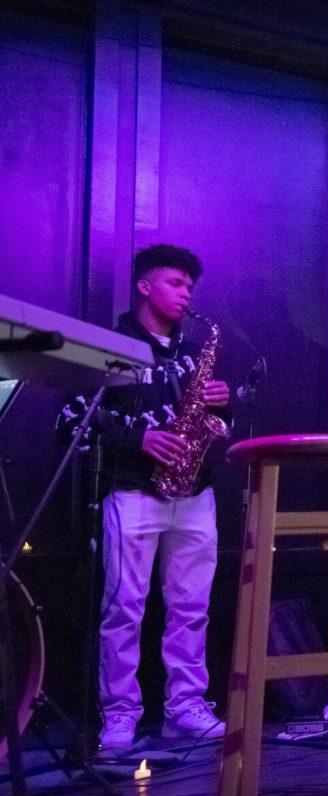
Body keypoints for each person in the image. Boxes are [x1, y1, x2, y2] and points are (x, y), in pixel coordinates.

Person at [58, 244, 229, 751]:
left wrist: (221, 402)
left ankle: (185, 707)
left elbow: (218, 422)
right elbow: (72, 418)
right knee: (123, 610)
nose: (186, 294)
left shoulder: (195, 348)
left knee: (192, 608)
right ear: (144, 286)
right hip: (132, 489)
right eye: (176, 284)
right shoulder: (108, 342)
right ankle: (119, 713)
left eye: (190, 287)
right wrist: (139, 439)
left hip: (194, 493)